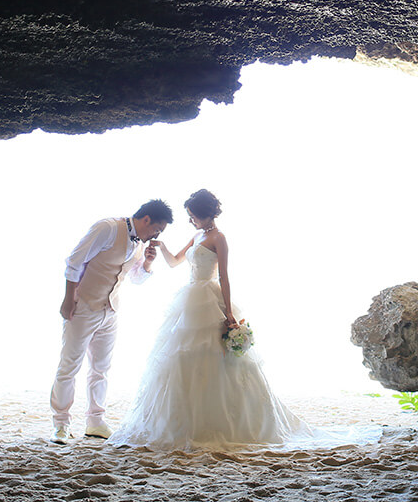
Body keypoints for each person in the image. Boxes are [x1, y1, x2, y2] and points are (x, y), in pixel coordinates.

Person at [105, 189, 317, 450]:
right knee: (182, 356)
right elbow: (174, 263)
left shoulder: (220, 238)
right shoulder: (196, 235)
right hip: (190, 299)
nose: (191, 221)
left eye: (194, 216)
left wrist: (228, 313)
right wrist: (160, 248)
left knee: (214, 358)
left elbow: (224, 277)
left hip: (209, 298)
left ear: (207, 215)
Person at [49, 199, 172, 443]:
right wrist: (68, 299)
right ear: (146, 219)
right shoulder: (107, 228)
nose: (155, 235)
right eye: (157, 229)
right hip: (83, 306)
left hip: (111, 310)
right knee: (69, 365)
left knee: (101, 369)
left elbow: (134, 278)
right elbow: (74, 261)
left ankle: (95, 421)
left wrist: (147, 262)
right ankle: (61, 424)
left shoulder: (139, 244)